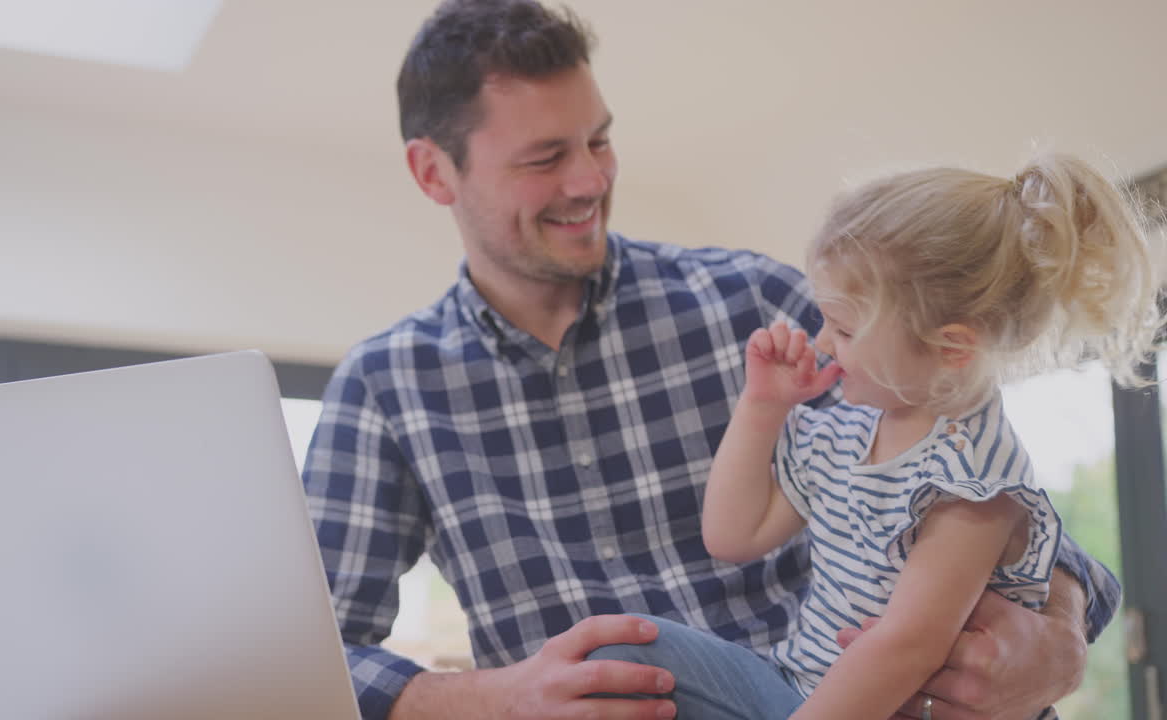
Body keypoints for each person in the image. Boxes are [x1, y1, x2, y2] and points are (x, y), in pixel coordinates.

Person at [303, 2, 1121, 719]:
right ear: (432, 172)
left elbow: (996, 508)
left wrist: (1057, 633)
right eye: (545, 158)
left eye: (600, 140)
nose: (589, 179)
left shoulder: (759, 303)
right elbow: (313, 656)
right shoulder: (387, 388)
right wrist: (490, 698)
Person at [666, 154, 1162, 720]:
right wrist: (762, 405)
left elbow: (906, 647)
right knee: (632, 649)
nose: (824, 344)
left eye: (846, 328)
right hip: (804, 692)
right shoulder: (846, 432)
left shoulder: (971, 481)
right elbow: (732, 535)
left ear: (951, 347)